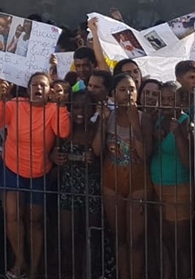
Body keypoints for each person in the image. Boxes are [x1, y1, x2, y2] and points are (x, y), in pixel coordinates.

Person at [0, 71, 70, 279]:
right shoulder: (15, 104)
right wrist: (0, 98)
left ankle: (34, 269)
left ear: (49, 90)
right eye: (34, 84)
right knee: (13, 216)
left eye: (43, 85)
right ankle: (20, 260)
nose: (38, 88)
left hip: (39, 171)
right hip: (11, 167)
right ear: (29, 88)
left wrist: (61, 107)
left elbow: (63, 132)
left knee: (35, 221)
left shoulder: (53, 109)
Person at [51, 91, 116, 279]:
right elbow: (51, 152)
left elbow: (101, 154)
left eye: (86, 107)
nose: (80, 111)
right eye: (77, 107)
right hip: (67, 188)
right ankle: (71, 273)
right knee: (67, 237)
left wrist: (93, 160)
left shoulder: (98, 127)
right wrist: (54, 157)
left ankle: (89, 273)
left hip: (91, 188)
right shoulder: (64, 128)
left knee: (91, 237)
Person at [95, 72, 153, 279]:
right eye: (122, 90)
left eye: (132, 89)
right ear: (113, 93)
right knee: (119, 237)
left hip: (138, 181)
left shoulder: (143, 118)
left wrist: (134, 123)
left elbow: (145, 153)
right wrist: (102, 122)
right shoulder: (107, 116)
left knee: (135, 239)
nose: (128, 94)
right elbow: (96, 150)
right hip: (112, 180)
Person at [151, 81, 193, 279]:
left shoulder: (185, 123)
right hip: (158, 189)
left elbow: (187, 162)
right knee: (166, 244)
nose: (166, 103)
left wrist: (178, 135)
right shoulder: (158, 120)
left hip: (179, 190)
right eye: (163, 99)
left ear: (181, 101)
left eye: (171, 99)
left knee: (181, 246)